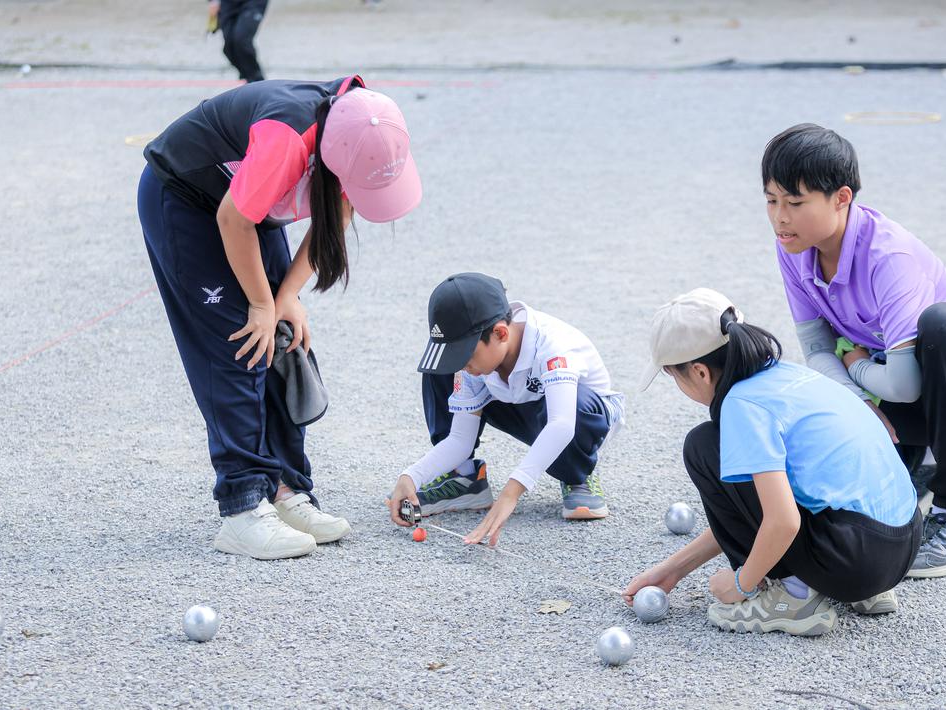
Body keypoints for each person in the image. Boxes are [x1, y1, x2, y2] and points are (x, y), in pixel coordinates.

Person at [139, 76, 422, 558]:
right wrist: (261, 303)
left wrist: (286, 296)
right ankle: (243, 507)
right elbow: (233, 219)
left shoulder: (366, 124)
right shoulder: (286, 140)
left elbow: (340, 211)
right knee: (242, 341)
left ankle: (285, 489)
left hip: (245, 202)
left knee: (286, 339)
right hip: (189, 201)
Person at [763, 123, 946, 578]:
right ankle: (915, 461)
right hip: (898, 384)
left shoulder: (888, 254)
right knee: (800, 397)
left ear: (841, 198)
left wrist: (856, 367)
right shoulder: (793, 247)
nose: (780, 217)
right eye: (771, 200)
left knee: (943, 321)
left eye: (795, 203)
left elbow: (903, 384)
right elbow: (817, 349)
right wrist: (860, 401)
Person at [624, 289, 919, 636]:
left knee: (703, 446)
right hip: (901, 545)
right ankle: (865, 593)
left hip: (854, 561)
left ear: (700, 372)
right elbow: (755, 508)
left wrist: (742, 584)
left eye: (675, 377)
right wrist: (674, 569)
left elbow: (781, 521)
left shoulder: (742, 405)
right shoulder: (787, 377)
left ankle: (793, 599)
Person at [387, 273, 625, 546]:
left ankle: (577, 475)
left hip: (583, 417)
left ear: (500, 333)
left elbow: (561, 424)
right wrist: (411, 477)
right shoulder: (479, 360)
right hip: (524, 402)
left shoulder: (552, 345)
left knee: (573, 409)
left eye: (464, 354)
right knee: (440, 371)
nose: (462, 364)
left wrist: (511, 492)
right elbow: (460, 439)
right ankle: (463, 477)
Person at [208, 0, 270, 83]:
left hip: (253, 3)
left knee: (241, 40)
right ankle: (248, 77)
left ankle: (258, 80)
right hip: (227, 4)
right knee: (228, 47)